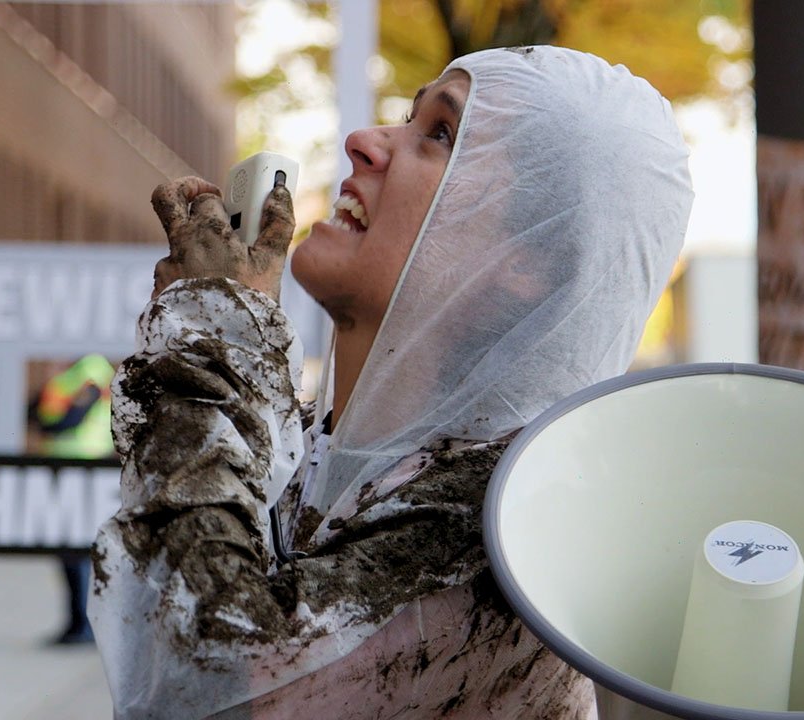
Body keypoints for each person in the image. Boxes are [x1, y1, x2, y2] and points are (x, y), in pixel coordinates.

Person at [90, 46, 694, 718]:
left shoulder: (504, 526)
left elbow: (210, 679)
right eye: (410, 119)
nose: (364, 142)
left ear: (526, 258)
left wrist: (213, 335)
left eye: (440, 135)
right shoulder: (311, 446)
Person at [28, 354, 116, 645]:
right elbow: (36, 415)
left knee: (80, 553)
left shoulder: (91, 370)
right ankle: (74, 622)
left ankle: (85, 625)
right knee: (66, 552)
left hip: (84, 470)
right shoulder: (67, 376)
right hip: (63, 471)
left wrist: (46, 423)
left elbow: (63, 422)